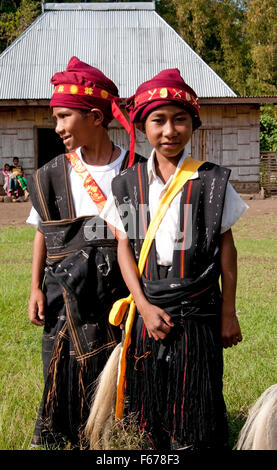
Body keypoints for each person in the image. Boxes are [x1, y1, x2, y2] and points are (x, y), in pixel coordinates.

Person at [98, 69, 248, 450]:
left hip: (199, 311)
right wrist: (144, 307)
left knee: (197, 392)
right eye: (158, 120)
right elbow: (124, 249)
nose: (170, 130)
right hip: (150, 308)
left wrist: (228, 313)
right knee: (149, 394)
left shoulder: (211, 182)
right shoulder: (128, 185)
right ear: (143, 126)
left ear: (193, 124)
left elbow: (227, 249)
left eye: (180, 119)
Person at [26, 56, 142, 449]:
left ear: (95, 116)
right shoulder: (52, 173)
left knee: (123, 375)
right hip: (64, 297)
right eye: (55, 118)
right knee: (63, 373)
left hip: (122, 296)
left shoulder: (136, 171)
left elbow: (145, 237)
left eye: (63, 117)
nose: (57, 127)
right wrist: (34, 288)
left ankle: (119, 436)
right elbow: (44, 231)